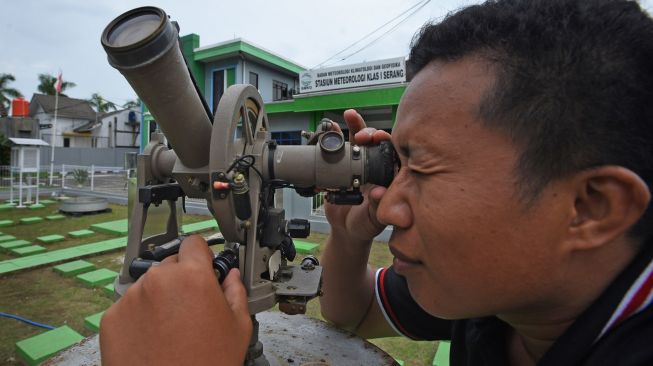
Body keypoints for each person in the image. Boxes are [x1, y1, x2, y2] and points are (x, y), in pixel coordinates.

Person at [100, 0, 653, 364]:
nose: (389, 207)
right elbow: (352, 311)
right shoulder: (503, 295)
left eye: (424, 166)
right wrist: (349, 233)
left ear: (590, 207)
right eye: (397, 163)